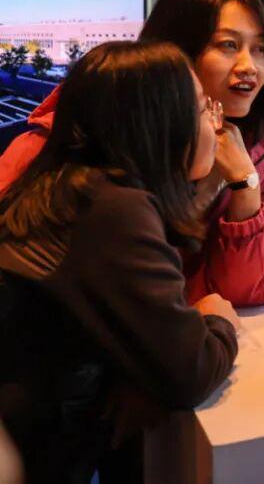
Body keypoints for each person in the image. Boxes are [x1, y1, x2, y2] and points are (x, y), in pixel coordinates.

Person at [0, 41, 239, 482]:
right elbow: (190, 370)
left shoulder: (64, 187)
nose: (215, 123)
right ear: (160, 123)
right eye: (204, 108)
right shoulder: (111, 211)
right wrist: (218, 320)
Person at [0, 0, 264, 307]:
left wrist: (246, 185)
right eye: (228, 45)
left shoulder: (259, 151)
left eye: (260, 49)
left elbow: (255, 291)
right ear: (171, 53)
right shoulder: (63, 143)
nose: (249, 66)